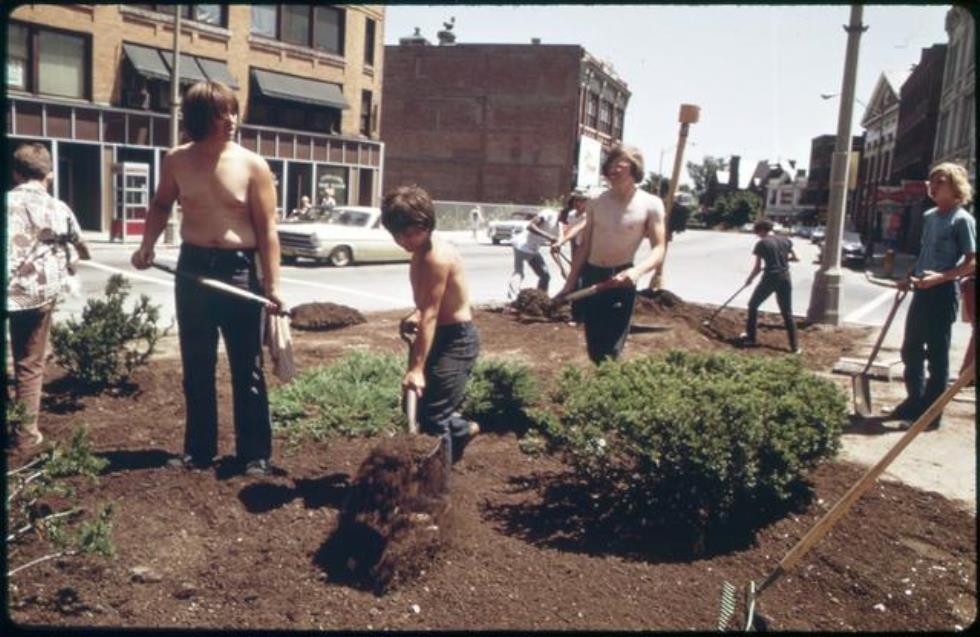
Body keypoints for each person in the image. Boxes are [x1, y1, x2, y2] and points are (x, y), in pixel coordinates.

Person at [130, 81, 283, 477]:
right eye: (220, 113)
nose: (231, 120)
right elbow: (162, 203)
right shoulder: (177, 160)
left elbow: (268, 230)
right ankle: (199, 451)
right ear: (200, 118)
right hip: (192, 268)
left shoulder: (253, 165)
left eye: (233, 111)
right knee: (197, 364)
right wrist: (147, 245)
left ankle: (254, 455)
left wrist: (273, 286)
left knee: (246, 367)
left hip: (238, 271)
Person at [381, 185, 481, 468]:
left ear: (426, 224)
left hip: (456, 341)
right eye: (397, 234)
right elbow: (429, 305)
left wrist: (416, 369)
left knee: (434, 416)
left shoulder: (435, 257)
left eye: (410, 232)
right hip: (440, 333)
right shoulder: (422, 249)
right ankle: (463, 431)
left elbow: (431, 315)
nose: (404, 240)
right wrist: (417, 312)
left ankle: (436, 491)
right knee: (418, 404)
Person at [6, 143, 91, 452]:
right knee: (29, 363)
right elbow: (82, 246)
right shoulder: (59, 208)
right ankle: (25, 435)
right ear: (50, 175)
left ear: (16, 173)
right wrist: (75, 254)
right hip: (34, 295)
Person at [556, 144, 666, 363]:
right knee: (594, 347)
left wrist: (636, 271)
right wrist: (569, 284)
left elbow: (659, 249)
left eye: (619, 164)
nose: (612, 169)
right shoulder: (596, 202)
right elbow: (584, 248)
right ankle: (601, 386)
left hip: (622, 278)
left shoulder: (651, 204)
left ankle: (609, 387)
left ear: (634, 168)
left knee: (612, 348)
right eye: (610, 165)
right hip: (592, 275)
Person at [889, 162, 976, 429]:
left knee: (937, 354)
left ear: (956, 186)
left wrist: (940, 277)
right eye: (932, 181)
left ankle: (931, 414)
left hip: (942, 293)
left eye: (941, 181)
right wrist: (909, 276)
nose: (934, 186)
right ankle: (914, 401)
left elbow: (972, 262)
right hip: (921, 290)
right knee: (911, 348)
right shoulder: (929, 216)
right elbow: (925, 254)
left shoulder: (963, 220)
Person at [738, 218, 801, 353]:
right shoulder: (785, 240)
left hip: (770, 278)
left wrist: (749, 279)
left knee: (753, 305)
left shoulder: (761, 244)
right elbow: (796, 258)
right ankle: (795, 347)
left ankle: (751, 338)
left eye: (757, 232)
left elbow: (757, 267)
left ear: (761, 230)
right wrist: (782, 259)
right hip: (785, 278)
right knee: (787, 312)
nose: (757, 235)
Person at [552, 189, 590, 322]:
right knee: (575, 278)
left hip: (591, 250)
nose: (578, 203)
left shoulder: (589, 215)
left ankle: (581, 314)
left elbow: (577, 228)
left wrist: (562, 241)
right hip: (577, 247)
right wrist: (559, 242)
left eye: (582, 200)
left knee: (583, 281)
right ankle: (576, 312)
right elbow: (567, 230)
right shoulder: (572, 214)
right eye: (577, 200)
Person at [508, 206, 561, 298]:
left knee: (545, 276)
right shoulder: (549, 213)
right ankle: (513, 298)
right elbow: (530, 226)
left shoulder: (560, 227)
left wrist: (555, 245)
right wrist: (549, 237)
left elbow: (554, 247)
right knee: (519, 272)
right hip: (521, 244)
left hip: (533, 249)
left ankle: (541, 299)